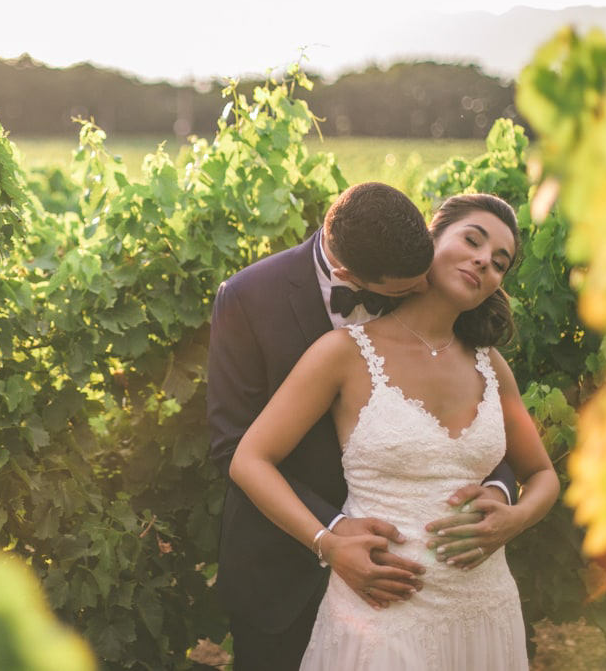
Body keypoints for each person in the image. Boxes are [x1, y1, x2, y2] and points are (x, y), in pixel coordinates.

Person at [229, 193, 559, 669]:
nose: (485, 260)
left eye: (500, 262)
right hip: (381, 617)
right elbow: (249, 459)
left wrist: (516, 517)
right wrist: (330, 544)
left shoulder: (492, 367)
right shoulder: (342, 353)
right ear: (432, 240)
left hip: (485, 609)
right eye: (473, 240)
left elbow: (543, 474)